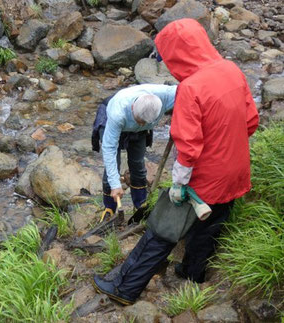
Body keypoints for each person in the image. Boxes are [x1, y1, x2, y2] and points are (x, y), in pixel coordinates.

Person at [92, 18, 259, 305]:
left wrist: (179, 185)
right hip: (236, 170)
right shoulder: (231, 70)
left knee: (161, 229)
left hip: (204, 178)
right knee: (210, 225)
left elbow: (189, 148)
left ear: (179, 54)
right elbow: (251, 122)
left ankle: (123, 289)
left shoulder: (191, 89)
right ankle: (192, 273)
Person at [92, 84, 177, 221]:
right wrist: (115, 184)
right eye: (140, 121)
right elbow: (109, 149)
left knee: (137, 163)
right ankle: (109, 208)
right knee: (113, 165)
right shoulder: (118, 113)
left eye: (146, 122)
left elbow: (188, 90)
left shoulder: (166, 95)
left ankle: (140, 204)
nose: (143, 124)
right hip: (111, 121)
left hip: (137, 131)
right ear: (133, 109)